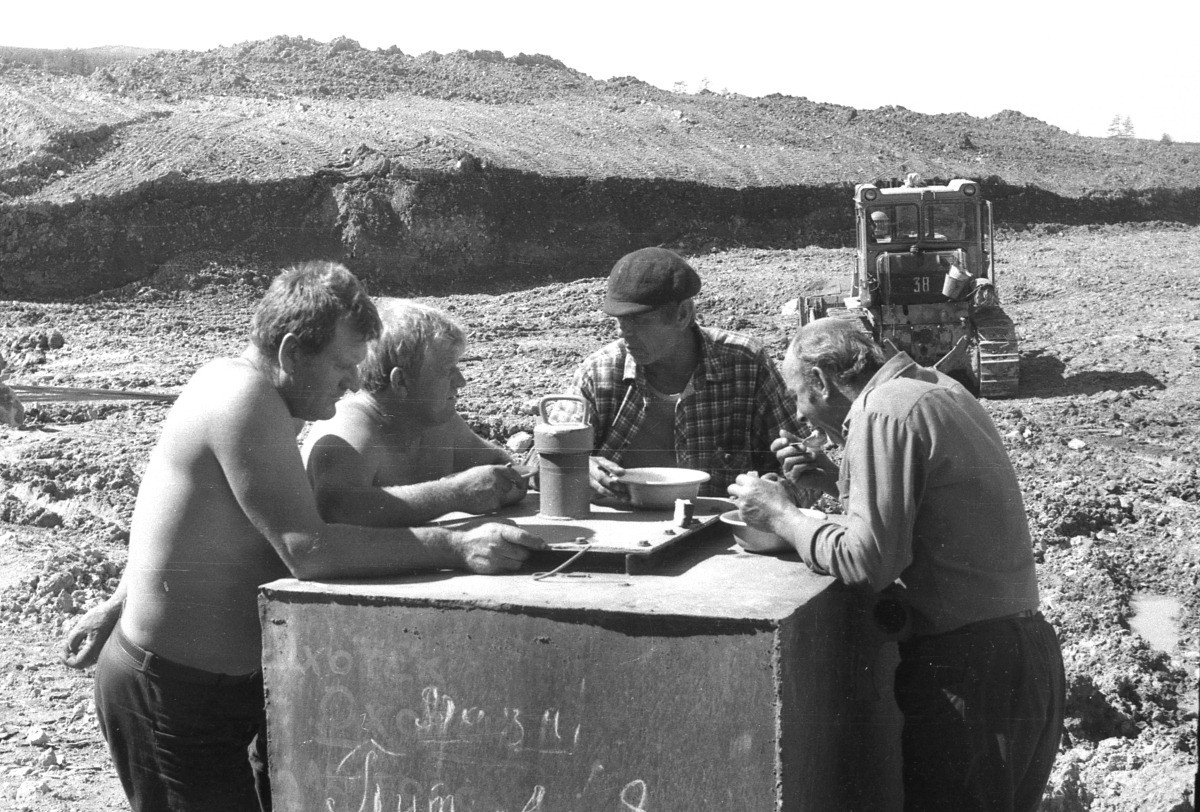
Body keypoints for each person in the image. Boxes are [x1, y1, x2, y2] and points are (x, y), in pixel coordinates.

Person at [59, 262, 544, 812]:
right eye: (342, 365)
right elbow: (307, 551)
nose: (356, 381)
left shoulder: (262, 396)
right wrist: (453, 545)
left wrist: (120, 601)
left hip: (218, 683)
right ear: (292, 352)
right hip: (174, 693)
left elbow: (181, 510)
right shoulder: (243, 401)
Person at [728, 318, 1065, 812]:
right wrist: (835, 477)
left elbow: (866, 562)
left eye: (800, 396)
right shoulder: (933, 389)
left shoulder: (880, 410)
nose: (802, 414)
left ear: (822, 381)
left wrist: (783, 516)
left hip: (969, 673)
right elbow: (925, 518)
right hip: (1021, 659)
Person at [572, 246, 802, 499]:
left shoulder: (745, 364)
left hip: (721, 532)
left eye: (637, 320)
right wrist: (576, 469)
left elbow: (802, 469)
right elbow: (541, 464)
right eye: (618, 320)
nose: (622, 331)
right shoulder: (600, 373)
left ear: (682, 315)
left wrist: (780, 495)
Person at [301, 299, 528, 525]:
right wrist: (454, 494)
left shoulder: (438, 423)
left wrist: (520, 478)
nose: (461, 381)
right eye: (447, 370)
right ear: (401, 381)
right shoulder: (349, 427)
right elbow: (338, 507)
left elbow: (499, 464)